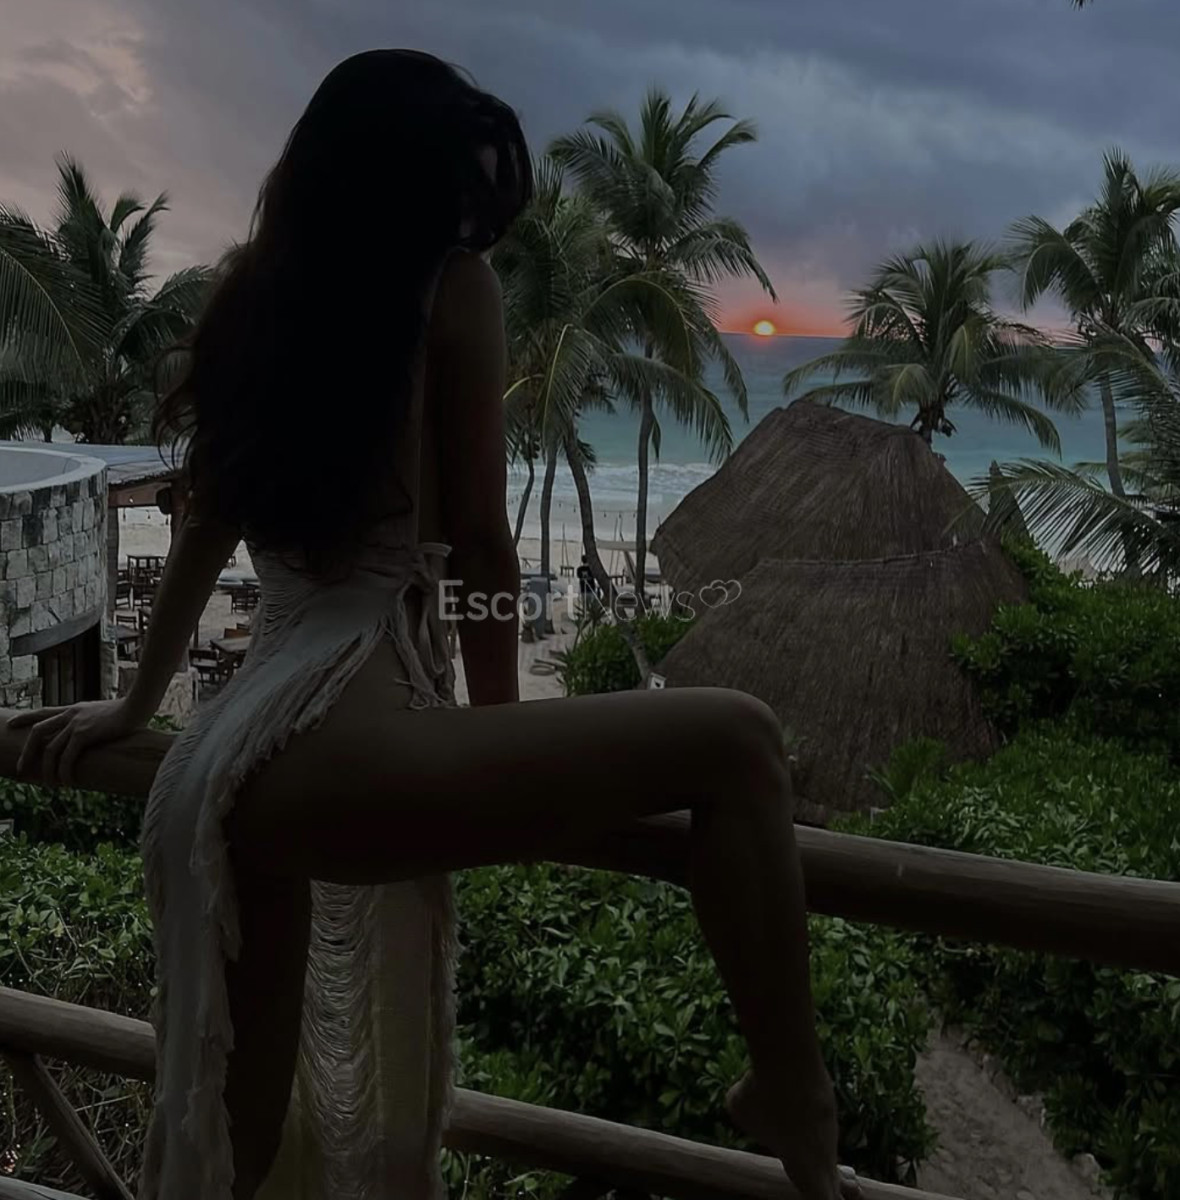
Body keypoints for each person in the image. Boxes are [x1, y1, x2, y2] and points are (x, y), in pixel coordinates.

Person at [7, 50, 858, 1200]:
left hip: (227, 764)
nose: (467, 220)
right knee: (740, 740)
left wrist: (137, 703)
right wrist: (502, 732)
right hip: (340, 745)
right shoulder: (451, 291)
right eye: (457, 189)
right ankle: (793, 1089)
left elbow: (205, 519)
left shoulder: (251, 297)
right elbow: (485, 542)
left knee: (236, 1144)